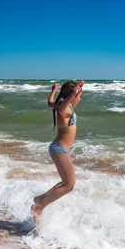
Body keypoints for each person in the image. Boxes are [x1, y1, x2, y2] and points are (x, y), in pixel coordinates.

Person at [31, 80, 84, 225]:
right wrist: (74, 92)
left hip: (59, 149)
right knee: (69, 185)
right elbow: (61, 109)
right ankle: (39, 207)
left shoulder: (61, 106)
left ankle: (40, 198)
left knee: (65, 182)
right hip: (59, 150)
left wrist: (53, 90)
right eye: (79, 96)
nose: (79, 98)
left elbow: (49, 102)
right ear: (72, 96)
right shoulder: (63, 109)